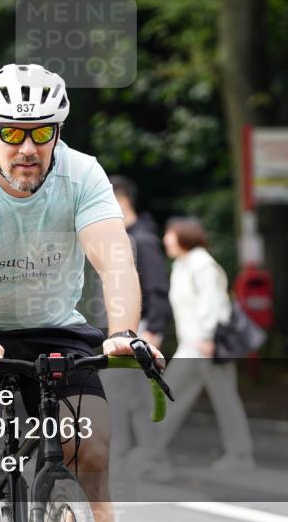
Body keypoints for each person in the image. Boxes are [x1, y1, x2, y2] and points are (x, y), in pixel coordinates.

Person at [0, 63, 165, 522]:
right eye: (12, 135)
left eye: (41, 133)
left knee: (91, 454)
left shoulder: (84, 174)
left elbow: (115, 260)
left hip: (54, 327)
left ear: (58, 131)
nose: (27, 148)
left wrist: (125, 330)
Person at [137, 216, 255, 476]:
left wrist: (207, 337)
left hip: (205, 346)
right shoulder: (182, 264)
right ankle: (151, 453)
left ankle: (240, 455)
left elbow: (212, 302)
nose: (166, 240)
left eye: (170, 234)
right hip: (191, 347)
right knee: (169, 398)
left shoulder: (201, 263)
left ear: (185, 236)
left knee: (223, 401)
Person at [105, 176, 171, 467]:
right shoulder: (127, 237)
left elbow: (157, 287)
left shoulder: (141, 239)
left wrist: (154, 330)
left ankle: (149, 457)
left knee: (134, 396)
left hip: (142, 330)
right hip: (131, 331)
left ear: (121, 201)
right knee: (126, 396)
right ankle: (139, 455)